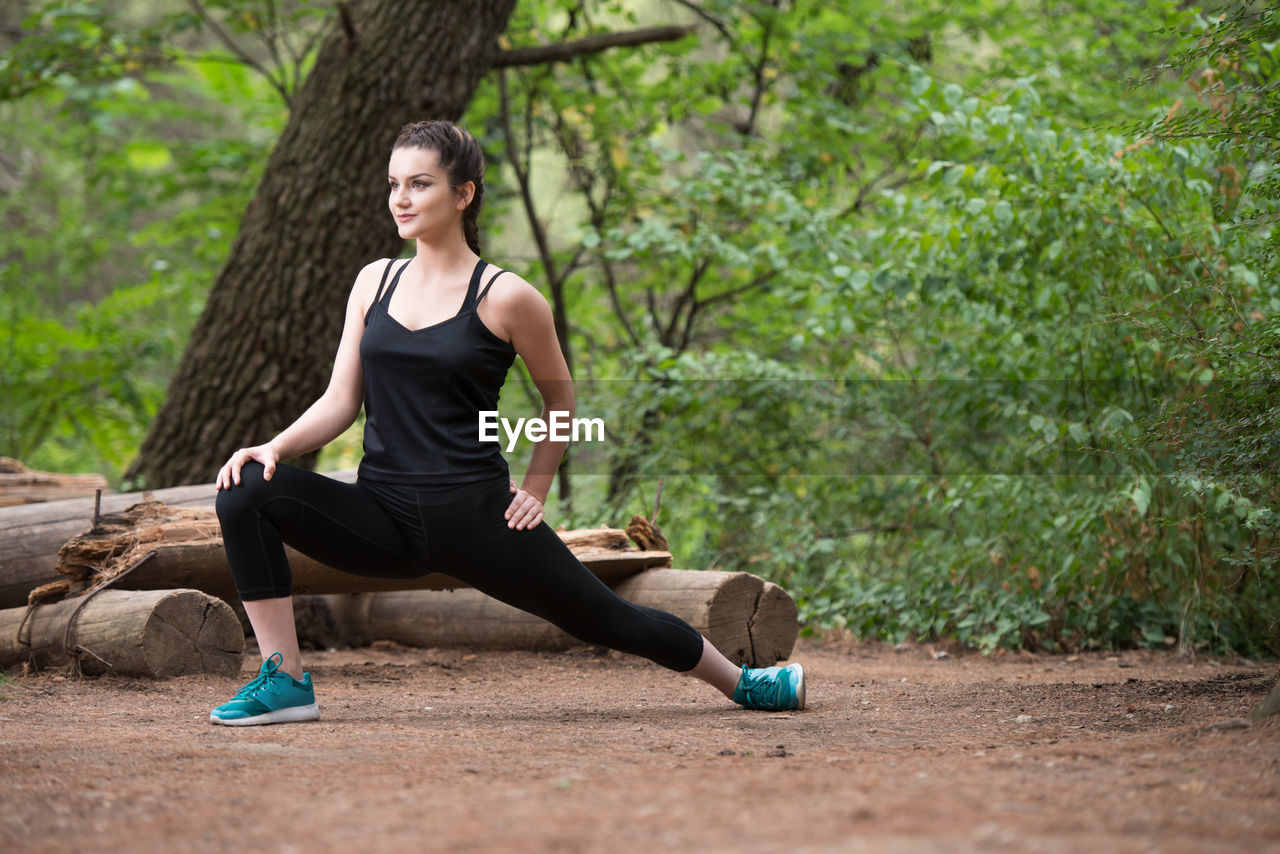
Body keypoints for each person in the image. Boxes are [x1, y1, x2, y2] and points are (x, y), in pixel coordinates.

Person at [208, 119, 804, 726]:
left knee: (606, 619)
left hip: (476, 519)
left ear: (463, 194)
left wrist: (537, 488)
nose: (401, 199)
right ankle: (284, 681)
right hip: (381, 516)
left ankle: (747, 683)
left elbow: (561, 399)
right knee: (245, 491)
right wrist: (272, 446)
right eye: (393, 184)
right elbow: (340, 400)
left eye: (419, 184)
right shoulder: (373, 282)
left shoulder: (507, 297)